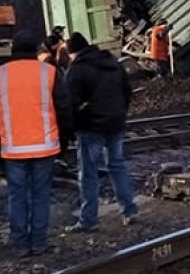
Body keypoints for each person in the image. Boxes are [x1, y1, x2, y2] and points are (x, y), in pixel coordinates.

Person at [0, 31, 73, 258]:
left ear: (13, 50)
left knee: (17, 196)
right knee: (41, 195)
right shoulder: (50, 73)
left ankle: (20, 244)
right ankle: (39, 243)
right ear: (35, 49)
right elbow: (64, 111)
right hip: (45, 146)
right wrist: (64, 143)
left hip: (13, 150)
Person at [64, 32, 137, 231]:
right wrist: (120, 113)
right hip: (115, 123)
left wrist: (73, 126)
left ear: (72, 52)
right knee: (117, 166)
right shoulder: (113, 62)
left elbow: (69, 103)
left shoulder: (77, 70)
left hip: (90, 127)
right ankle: (129, 210)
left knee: (88, 173)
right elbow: (127, 91)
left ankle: (89, 220)